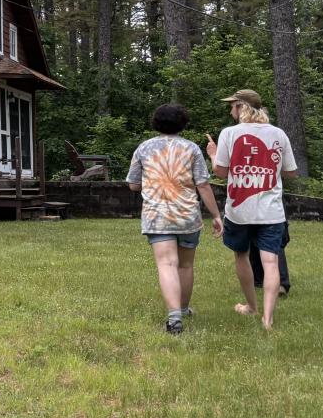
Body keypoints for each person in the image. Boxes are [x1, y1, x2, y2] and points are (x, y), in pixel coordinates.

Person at [126, 103, 225, 335]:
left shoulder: (144, 148)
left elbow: (132, 184)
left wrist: (150, 182)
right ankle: (183, 307)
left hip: (157, 216)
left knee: (166, 264)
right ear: (182, 123)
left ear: (156, 123)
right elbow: (203, 184)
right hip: (187, 216)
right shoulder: (191, 149)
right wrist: (216, 215)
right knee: (185, 264)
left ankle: (174, 318)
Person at [205, 90, 298, 330]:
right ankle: (268, 319)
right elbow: (291, 173)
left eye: (232, 107)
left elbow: (221, 171)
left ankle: (252, 307)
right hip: (271, 210)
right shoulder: (278, 134)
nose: (230, 111)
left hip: (239, 210)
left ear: (240, 107)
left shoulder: (229, 133)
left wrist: (213, 154)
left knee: (241, 255)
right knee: (270, 261)